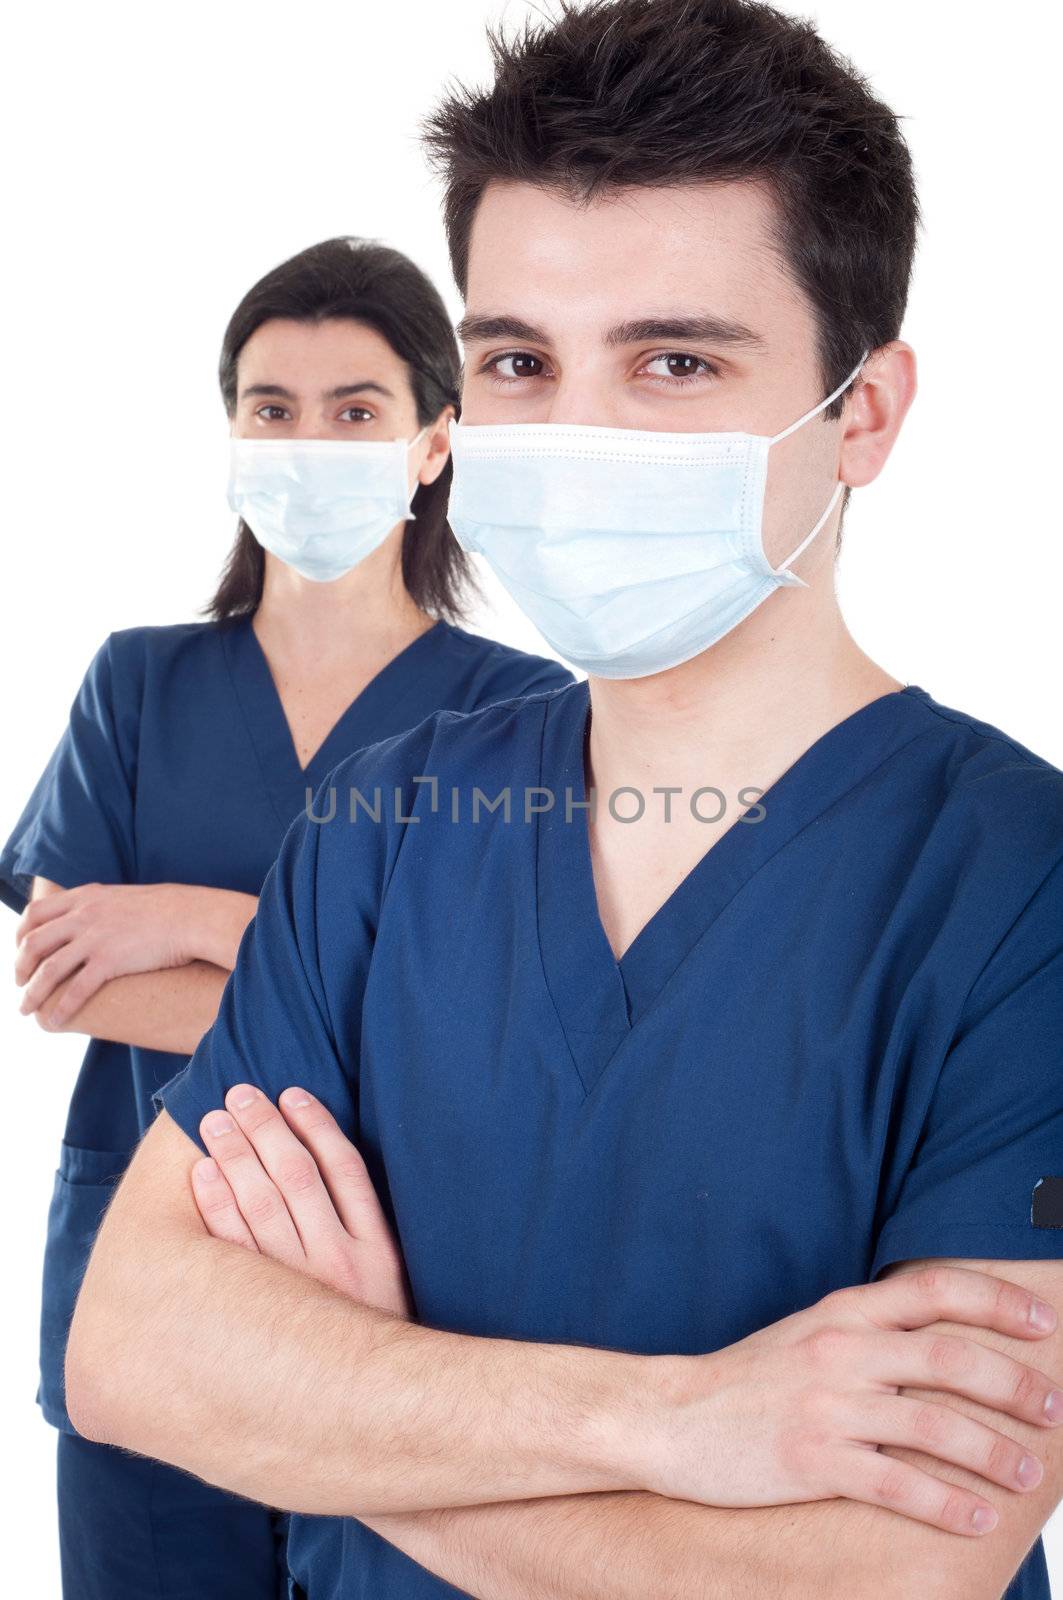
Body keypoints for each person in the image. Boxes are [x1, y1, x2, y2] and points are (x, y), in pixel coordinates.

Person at [65, 3, 1063, 1598]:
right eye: (521, 361)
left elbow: (899, 1568)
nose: (575, 432)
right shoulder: (384, 819)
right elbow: (131, 1347)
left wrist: (348, 1405)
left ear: (863, 414)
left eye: (675, 362)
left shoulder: (1018, 880)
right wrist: (685, 1424)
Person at [2, 234, 572, 1599]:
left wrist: (190, 914)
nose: (307, 443)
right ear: (234, 436)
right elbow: (70, 981)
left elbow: (488, 1020)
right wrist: (347, 979)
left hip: (408, 1307)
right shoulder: (136, 684)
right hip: (152, 1288)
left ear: (436, 443)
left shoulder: (526, 717)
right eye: (273, 410)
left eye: (355, 411)